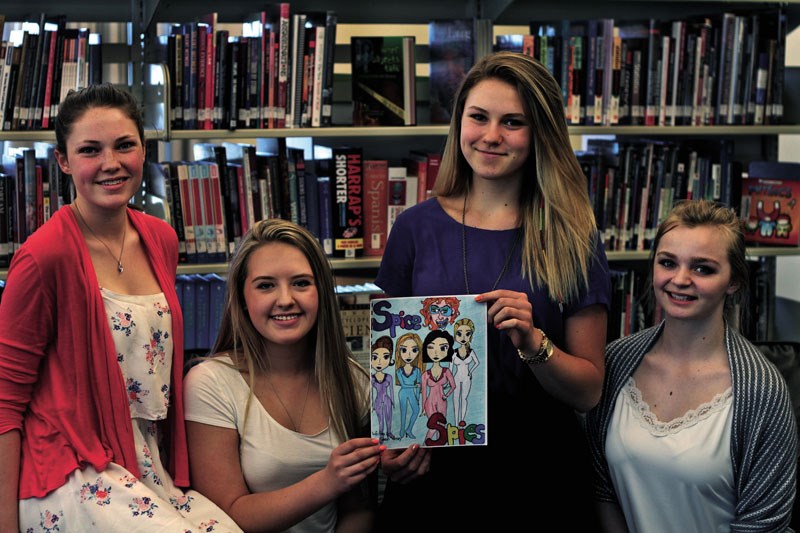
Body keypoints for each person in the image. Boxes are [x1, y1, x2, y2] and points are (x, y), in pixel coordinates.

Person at [374, 50, 611, 527]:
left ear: (539, 134)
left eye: (513, 123)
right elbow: (391, 365)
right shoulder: (415, 228)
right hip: (434, 477)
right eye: (478, 117)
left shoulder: (572, 235)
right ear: (459, 121)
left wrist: (535, 342)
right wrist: (396, 445)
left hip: (538, 476)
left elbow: (589, 391)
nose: (491, 136)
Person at [0, 83, 241, 531]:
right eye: (90, 150)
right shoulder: (42, 257)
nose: (110, 163)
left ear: (143, 151)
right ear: (64, 161)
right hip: (70, 470)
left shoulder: (160, 238)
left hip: (146, 464)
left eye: (124, 145)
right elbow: (4, 401)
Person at [585, 199, 798, 532]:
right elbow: (602, 485)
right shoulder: (615, 361)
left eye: (703, 268)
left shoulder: (762, 392)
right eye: (668, 263)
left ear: (734, 281)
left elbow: (764, 524)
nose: (680, 279)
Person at [183, 218, 382, 532]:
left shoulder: (354, 381)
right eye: (265, 285)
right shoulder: (210, 383)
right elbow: (225, 516)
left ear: (322, 293)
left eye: (301, 283)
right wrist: (328, 482)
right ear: (243, 299)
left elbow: (358, 508)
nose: (286, 299)